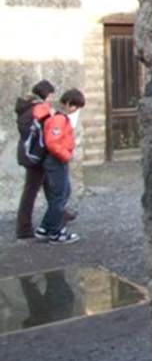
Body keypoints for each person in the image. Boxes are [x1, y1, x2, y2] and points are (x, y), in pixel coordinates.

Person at [36, 88, 86, 244]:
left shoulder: (59, 117)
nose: (76, 111)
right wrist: (66, 155)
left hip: (57, 159)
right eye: (75, 107)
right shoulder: (59, 119)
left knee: (62, 193)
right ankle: (56, 232)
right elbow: (53, 143)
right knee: (60, 196)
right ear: (70, 103)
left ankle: (45, 227)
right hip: (56, 160)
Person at [14, 80, 56, 239]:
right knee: (31, 191)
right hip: (37, 155)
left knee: (49, 187)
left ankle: (59, 214)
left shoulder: (27, 108)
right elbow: (47, 130)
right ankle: (23, 227)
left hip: (31, 154)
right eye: (51, 95)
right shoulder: (38, 110)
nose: (52, 98)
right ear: (45, 95)